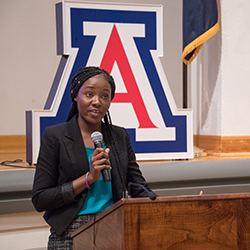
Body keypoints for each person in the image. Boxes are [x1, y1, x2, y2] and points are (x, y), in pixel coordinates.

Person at [32, 66, 156, 250]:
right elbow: (41, 199)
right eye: (89, 94)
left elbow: (138, 186)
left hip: (113, 226)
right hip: (70, 231)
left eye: (105, 96)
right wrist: (89, 179)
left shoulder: (119, 136)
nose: (97, 102)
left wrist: (170, 207)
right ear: (75, 96)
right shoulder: (56, 136)